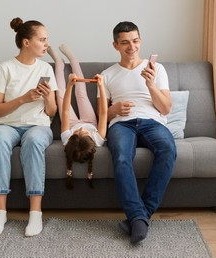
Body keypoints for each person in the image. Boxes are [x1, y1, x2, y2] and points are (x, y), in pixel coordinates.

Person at [99, 21, 177, 244]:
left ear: (140, 41)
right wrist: (112, 109)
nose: (131, 47)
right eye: (124, 43)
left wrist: (151, 85)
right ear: (115, 45)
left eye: (134, 41)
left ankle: (138, 218)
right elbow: (101, 113)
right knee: (122, 158)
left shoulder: (157, 69)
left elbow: (166, 108)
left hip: (152, 121)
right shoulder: (106, 75)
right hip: (121, 124)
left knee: (168, 150)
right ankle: (139, 218)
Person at [0, 17, 57, 237]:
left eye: (47, 40)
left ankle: (35, 214)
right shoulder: (5, 68)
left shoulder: (46, 68)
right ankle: (0, 212)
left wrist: (47, 99)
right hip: (7, 125)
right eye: (42, 40)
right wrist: (23, 99)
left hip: (38, 126)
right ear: (26, 42)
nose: (47, 44)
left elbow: (52, 112)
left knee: (34, 141)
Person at [48, 44, 107, 189]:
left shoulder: (67, 138)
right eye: (84, 133)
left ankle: (59, 63)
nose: (81, 130)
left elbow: (66, 111)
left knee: (60, 94)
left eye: (77, 134)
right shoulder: (98, 139)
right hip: (90, 120)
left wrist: (69, 85)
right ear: (92, 140)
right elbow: (104, 112)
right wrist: (101, 85)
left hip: (71, 122)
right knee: (81, 92)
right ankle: (73, 59)